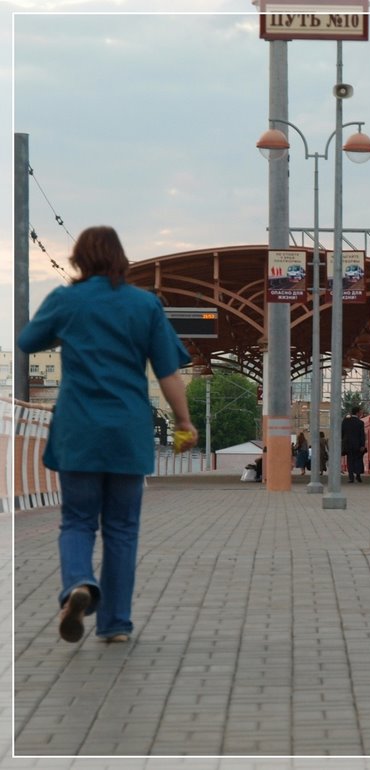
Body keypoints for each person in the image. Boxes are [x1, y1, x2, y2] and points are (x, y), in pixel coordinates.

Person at [17, 225, 198, 644]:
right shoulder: (144, 305)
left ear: (79, 259)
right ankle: (115, 623)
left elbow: (28, 340)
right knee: (121, 529)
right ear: (122, 259)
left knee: (77, 521)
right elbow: (168, 371)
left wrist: (67, 328)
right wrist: (184, 421)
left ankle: (79, 584)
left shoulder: (67, 300)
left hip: (78, 429)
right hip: (126, 431)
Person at [341, 406, 366, 482]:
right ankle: (358, 476)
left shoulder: (345, 421)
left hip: (347, 445)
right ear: (357, 413)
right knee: (358, 460)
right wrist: (362, 445)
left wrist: (343, 441)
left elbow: (342, 432)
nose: (361, 413)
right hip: (357, 445)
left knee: (350, 461)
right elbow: (362, 435)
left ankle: (351, 477)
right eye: (361, 412)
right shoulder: (360, 423)